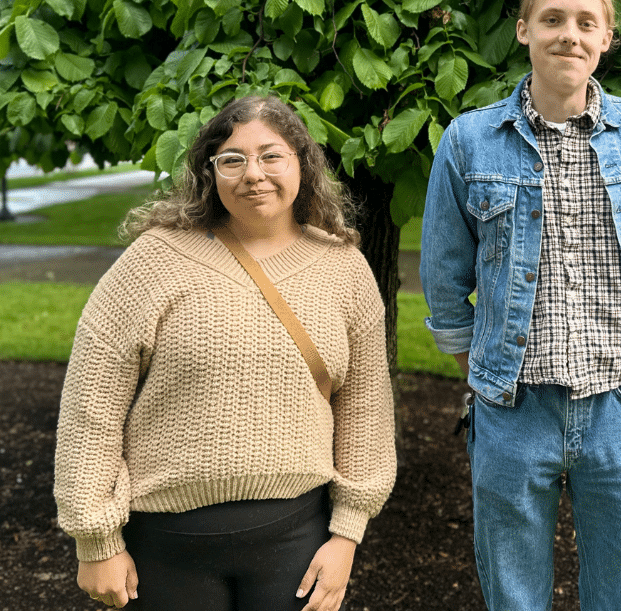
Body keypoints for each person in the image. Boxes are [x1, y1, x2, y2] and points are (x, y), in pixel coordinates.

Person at [54, 95, 396, 611]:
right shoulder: (154, 261)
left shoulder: (343, 268)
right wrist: (95, 541)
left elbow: (364, 411)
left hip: (296, 543)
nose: (252, 174)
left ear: (302, 162)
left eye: (271, 155)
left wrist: (347, 534)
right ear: (209, 171)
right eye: (232, 159)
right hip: (166, 549)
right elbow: (91, 404)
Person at [419, 0, 621, 611]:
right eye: (554, 19)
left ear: (607, 38)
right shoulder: (469, 142)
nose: (570, 34)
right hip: (513, 411)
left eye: (586, 22)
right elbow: (444, 279)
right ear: (523, 30)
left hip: (620, 407)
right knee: (514, 596)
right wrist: (483, 369)